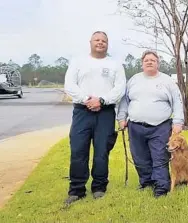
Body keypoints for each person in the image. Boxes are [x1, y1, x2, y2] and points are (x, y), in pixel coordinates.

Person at [63, 31, 126, 205]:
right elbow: (70, 85)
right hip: (82, 112)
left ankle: (99, 187)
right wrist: (86, 100)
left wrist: (102, 100)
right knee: (78, 150)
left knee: (102, 151)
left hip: (105, 113)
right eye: (97, 40)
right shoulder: (78, 62)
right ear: (90, 42)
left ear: (108, 43)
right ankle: (77, 190)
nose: (100, 43)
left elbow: (120, 88)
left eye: (104, 41)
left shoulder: (115, 64)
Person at [116, 50, 184, 198]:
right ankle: (146, 182)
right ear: (142, 64)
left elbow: (177, 102)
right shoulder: (133, 80)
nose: (149, 62)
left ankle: (161, 187)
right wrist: (122, 118)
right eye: (146, 60)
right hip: (135, 126)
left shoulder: (167, 81)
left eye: (153, 60)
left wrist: (178, 121)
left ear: (158, 63)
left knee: (159, 156)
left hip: (160, 126)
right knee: (140, 156)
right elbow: (124, 101)